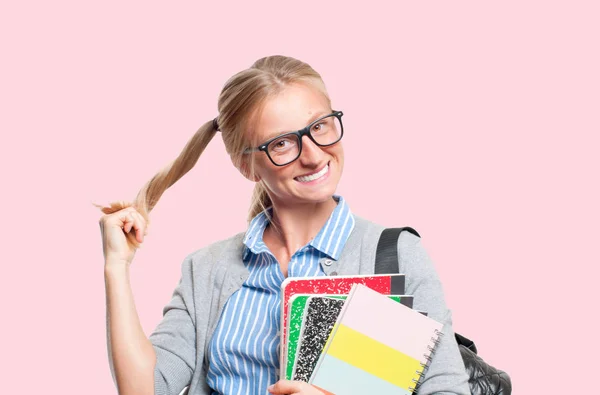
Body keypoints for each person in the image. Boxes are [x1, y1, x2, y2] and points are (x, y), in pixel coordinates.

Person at [98, 55, 470, 395]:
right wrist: (117, 267)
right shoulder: (206, 269)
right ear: (246, 165)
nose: (312, 155)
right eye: (281, 144)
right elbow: (144, 390)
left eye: (320, 127)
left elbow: (447, 390)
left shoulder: (394, 256)